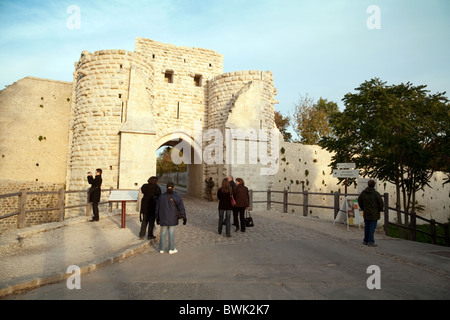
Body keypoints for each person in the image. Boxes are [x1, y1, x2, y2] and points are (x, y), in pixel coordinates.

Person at [155, 182, 187, 254]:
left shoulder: (161, 196)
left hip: (163, 217)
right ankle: (171, 249)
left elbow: (157, 208)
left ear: (166, 187)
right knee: (171, 233)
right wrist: (184, 217)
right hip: (173, 217)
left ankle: (161, 248)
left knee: (163, 232)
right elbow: (181, 207)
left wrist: (157, 217)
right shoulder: (177, 196)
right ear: (173, 188)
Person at [358, 179, 384, 247]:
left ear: (368, 184)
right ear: (374, 185)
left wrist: (363, 207)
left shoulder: (363, 193)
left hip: (366, 212)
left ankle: (365, 240)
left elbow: (359, 200)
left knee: (367, 226)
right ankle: (370, 241)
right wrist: (380, 209)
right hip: (374, 213)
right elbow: (380, 203)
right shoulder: (376, 194)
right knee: (372, 227)